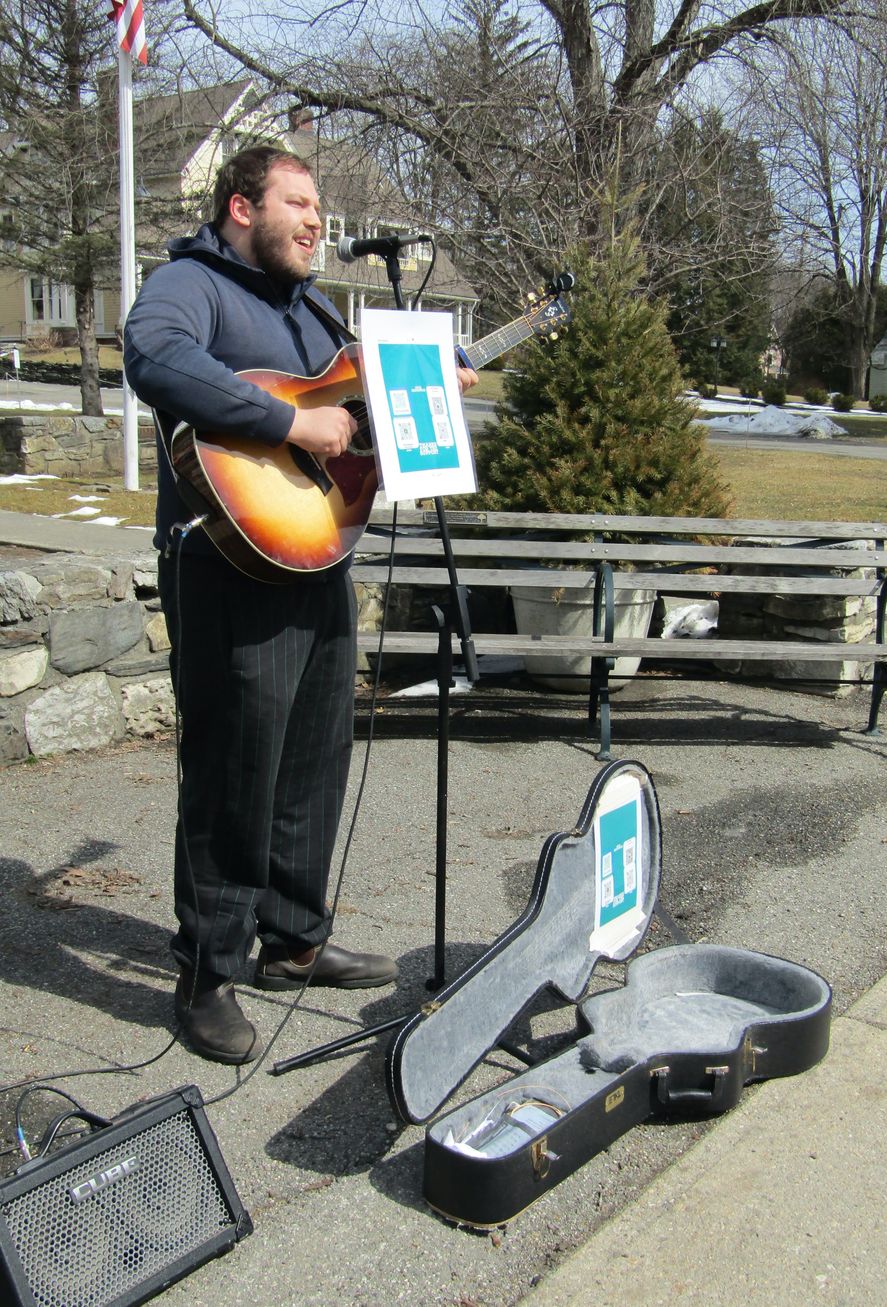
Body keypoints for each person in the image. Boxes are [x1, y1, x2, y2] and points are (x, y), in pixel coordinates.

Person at [124, 145, 478, 1063]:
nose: (317, 220)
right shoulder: (193, 283)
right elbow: (152, 357)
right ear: (242, 208)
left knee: (316, 760)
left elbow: (350, 425)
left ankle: (292, 938)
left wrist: (425, 394)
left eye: (319, 207)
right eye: (299, 203)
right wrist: (288, 421)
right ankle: (207, 972)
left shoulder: (314, 313)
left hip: (315, 558)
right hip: (228, 566)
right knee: (233, 769)